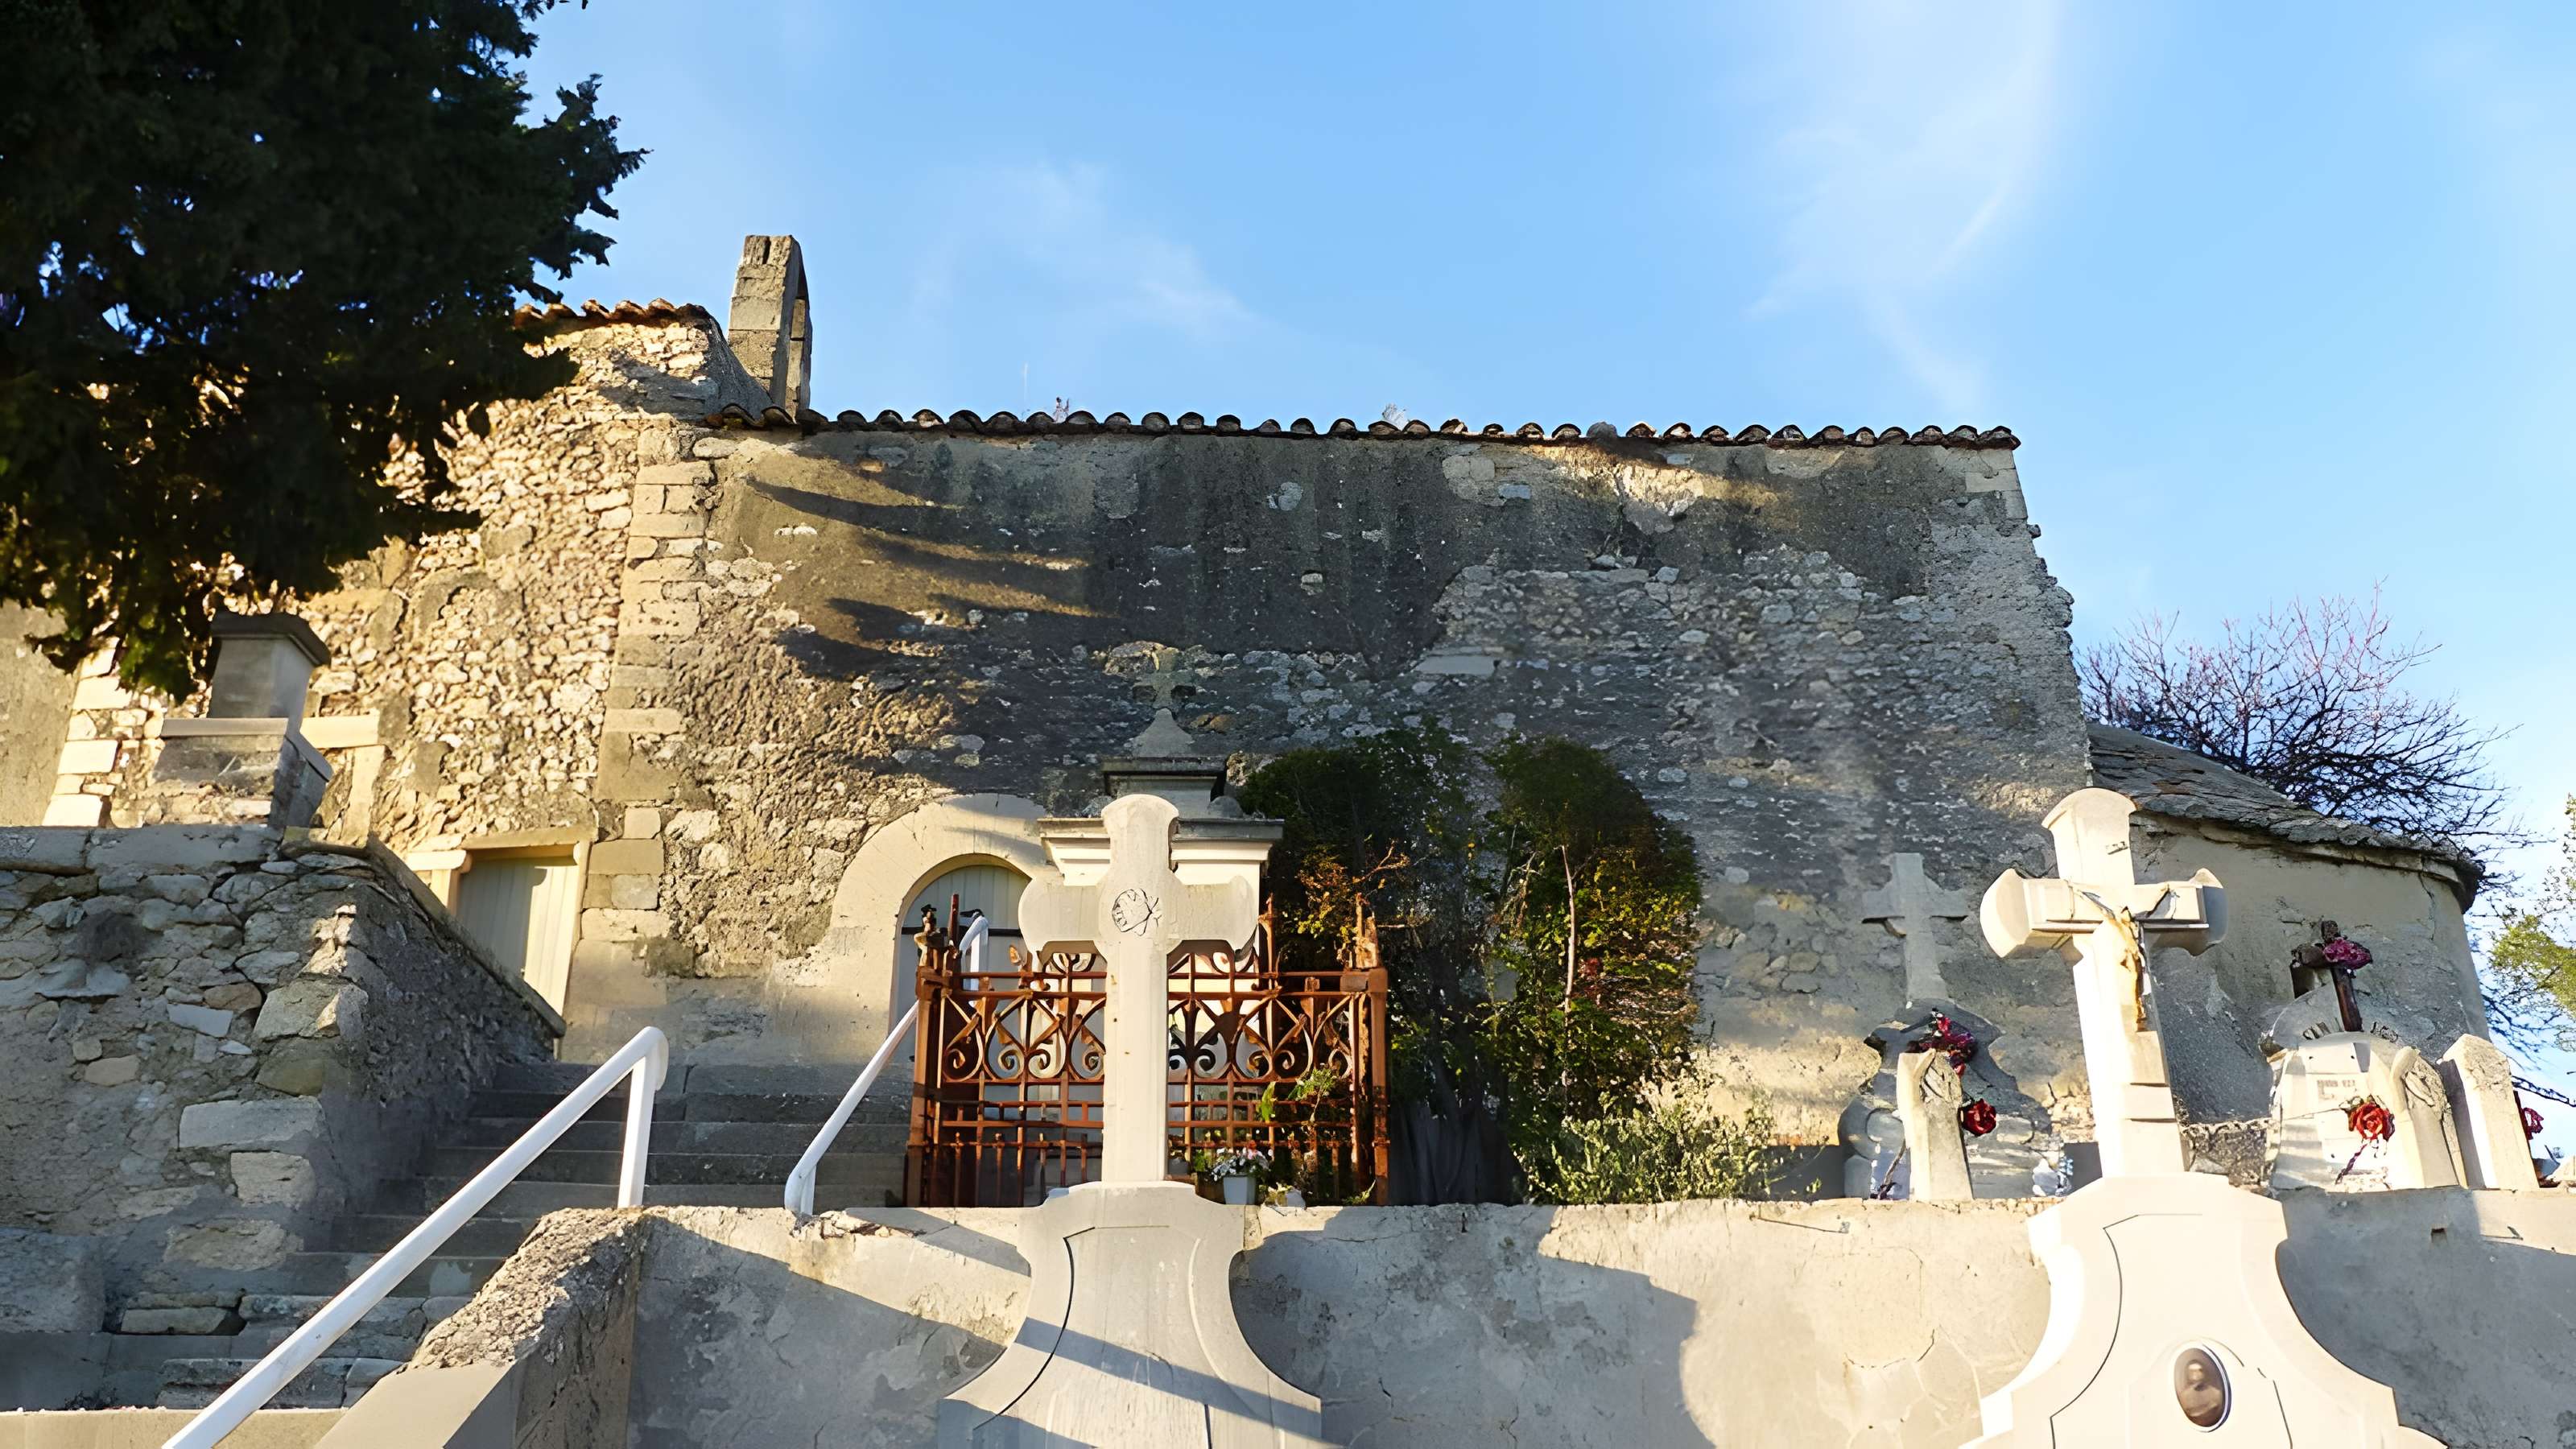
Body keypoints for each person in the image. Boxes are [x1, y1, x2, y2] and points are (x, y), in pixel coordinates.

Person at [2175, 1350, 2226, 1427]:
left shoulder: (2216, 1394)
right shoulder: (2184, 1397)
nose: (2196, 1374)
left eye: (2199, 1371)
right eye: (2193, 1371)